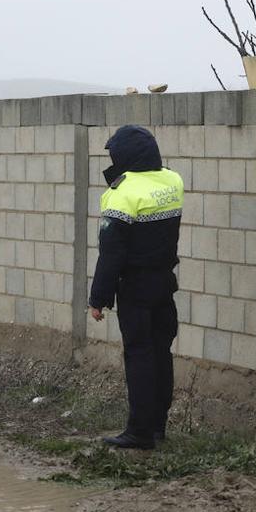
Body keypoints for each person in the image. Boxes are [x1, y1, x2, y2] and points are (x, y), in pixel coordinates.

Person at [88, 125, 183, 450]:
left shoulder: (121, 193)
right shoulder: (173, 181)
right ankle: (157, 426)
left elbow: (111, 253)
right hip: (165, 283)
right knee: (161, 354)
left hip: (136, 288)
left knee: (139, 356)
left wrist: (98, 299)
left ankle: (138, 432)